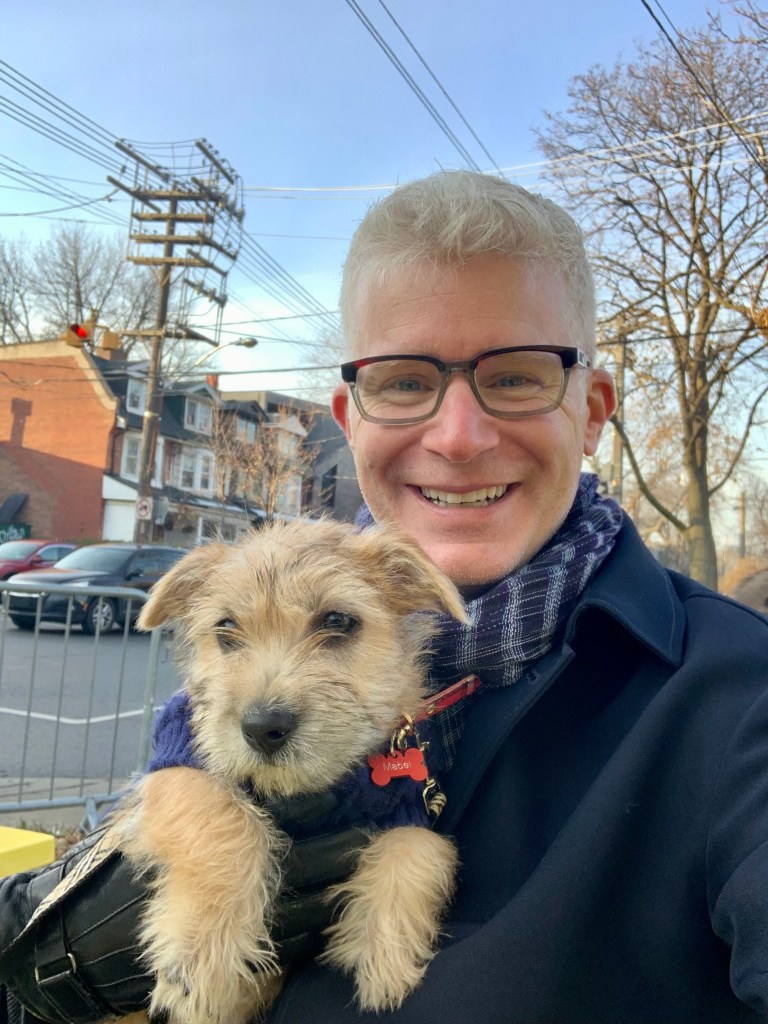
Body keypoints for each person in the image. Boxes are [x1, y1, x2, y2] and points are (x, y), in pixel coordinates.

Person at [2, 169, 768, 1024]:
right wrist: (55, 966)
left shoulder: (739, 701)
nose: (459, 436)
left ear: (590, 411)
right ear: (351, 414)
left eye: (515, 376)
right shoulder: (242, 661)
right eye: (404, 382)